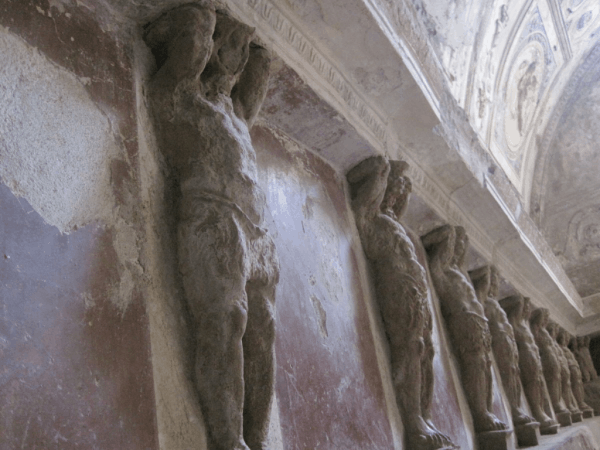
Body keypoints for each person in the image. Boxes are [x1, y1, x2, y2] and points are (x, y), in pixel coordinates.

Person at [144, 4, 279, 449]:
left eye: (238, 49)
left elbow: (260, 70)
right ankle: (228, 441)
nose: (232, 55)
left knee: (263, 329)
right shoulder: (179, 93)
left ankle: (256, 439)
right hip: (212, 212)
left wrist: (250, 37)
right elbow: (196, 39)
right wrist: (206, 24)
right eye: (223, 45)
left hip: (255, 231)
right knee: (226, 318)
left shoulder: (235, 111)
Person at [347, 155, 454, 450]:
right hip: (399, 289)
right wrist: (384, 169)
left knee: (427, 350)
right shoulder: (370, 218)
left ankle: (425, 415)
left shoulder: (396, 226)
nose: (396, 197)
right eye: (392, 191)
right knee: (411, 348)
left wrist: (401, 181)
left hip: (416, 293)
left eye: (401, 194)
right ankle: (413, 423)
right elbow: (366, 189)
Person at [422, 225, 507, 433]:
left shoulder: (461, 273)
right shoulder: (440, 269)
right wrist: (451, 232)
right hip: (465, 321)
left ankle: (487, 411)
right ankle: (480, 414)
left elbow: (482, 283)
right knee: (475, 364)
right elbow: (429, 243)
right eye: (455, 246)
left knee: (485, 366)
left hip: (479, 324)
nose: (458, 249)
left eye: (462, 247)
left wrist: (463, 242)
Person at [469, 266, 535, 428]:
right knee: (503, 373)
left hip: (508, 343)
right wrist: (487, 273)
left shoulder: (494, 303)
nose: (495, 286)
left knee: (514, 373)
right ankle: (511, 409)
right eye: (493, 283)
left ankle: (517, 407)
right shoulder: (483, 300)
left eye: (496, 283)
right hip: (499, 342)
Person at [500, 295, 558, 434]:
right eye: (523, 308)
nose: (526, 310)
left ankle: (541, 410)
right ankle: (536, 411)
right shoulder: (513, 322)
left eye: (527, 308)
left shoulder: (524, 325)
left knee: (538, 382)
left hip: (533, 356)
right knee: (532, 382)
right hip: (525, 356)